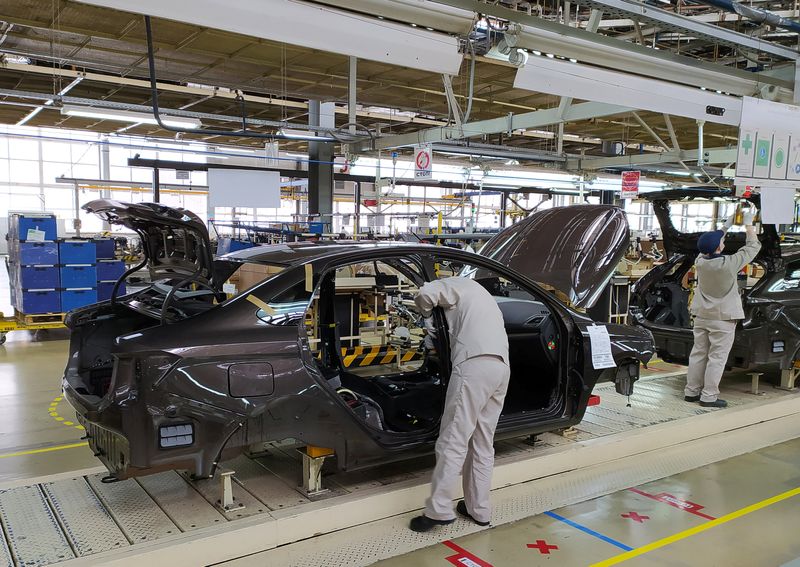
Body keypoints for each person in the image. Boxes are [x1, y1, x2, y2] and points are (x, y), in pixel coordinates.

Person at [409, 276, 510, 532]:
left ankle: (438, 511)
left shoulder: (454, 284)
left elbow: (425, 294)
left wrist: (428, 322)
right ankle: (479, 510)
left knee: (453, 439)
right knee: (483, 443)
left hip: (473, 365)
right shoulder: (484, 298)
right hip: (500, 368)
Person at [685, 206, 761, 408]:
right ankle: (708, 396)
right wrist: (747, 224)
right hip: (723, 318)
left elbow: (713, 241)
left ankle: (691, 392)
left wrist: (727, 224)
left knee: (698, 353)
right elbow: (753, 247)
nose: (724, 241)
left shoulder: (700, 261)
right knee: (716, 358)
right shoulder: (730, 263)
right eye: (722, 241)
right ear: (719, 247)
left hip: (701, 315)